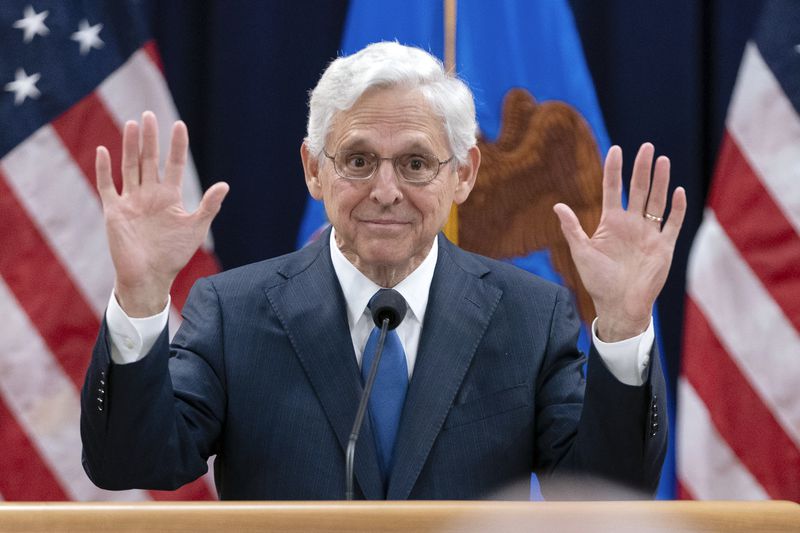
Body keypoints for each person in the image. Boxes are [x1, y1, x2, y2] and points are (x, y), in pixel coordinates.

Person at [80, 42, 685, 500]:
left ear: (465, 174)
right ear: (315, 170)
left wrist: (626, 324)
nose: (386, 191)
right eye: (359, 160)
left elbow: (606, 488)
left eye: (417, 162)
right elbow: (129, 464)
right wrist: (138, 298)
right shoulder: (233, 310)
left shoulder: (531, 316)